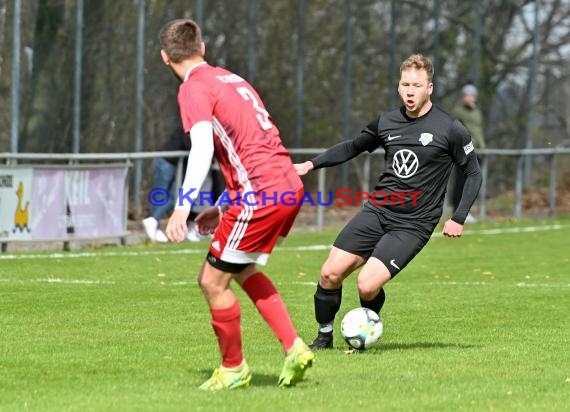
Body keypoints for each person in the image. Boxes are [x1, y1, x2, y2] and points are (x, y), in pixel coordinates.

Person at [158, 19, 314, 390]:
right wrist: (224, 203)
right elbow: (254, 145)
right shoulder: (233, 80)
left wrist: (182, 206)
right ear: (203, 48)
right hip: (286, 186)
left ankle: (233, 369)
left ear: (165, 57)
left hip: (260, 194)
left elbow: (202, 149)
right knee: (241, 271)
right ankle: (294, 348)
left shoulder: (194, 88)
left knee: (211, 281)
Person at [295, 54, 482, 350]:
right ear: (398, 86)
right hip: (378, 210)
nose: (410, 91)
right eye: (405, 84)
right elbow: (353, 147)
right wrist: (311, 164)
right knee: (330, 273)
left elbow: (472, 173)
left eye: (417, 85)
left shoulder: (450, 128)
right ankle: (324, 336)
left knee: (367, 285)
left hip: (413, 223)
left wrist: (458, 217)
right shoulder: (387, 122)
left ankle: (365, 331)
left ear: (429, 88)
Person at [142, 125, 216, 243]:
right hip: (167, 162)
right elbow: (193, 147)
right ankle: (153, 219)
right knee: (168, 196)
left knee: (170, 196)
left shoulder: (191, 126)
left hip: (168, 162)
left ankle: (154, 223)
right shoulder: (191, 128)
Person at [449, 83, 486, 222]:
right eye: (468, 95)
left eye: (472, 96)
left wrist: (482, 146)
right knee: (461, 182)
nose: (470, 98)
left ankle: (467, 211)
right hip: (464, 152)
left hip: (478, 152)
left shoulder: (477, 112)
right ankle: (457, 210)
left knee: (473, 182)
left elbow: (478, 131)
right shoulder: (458, 111)